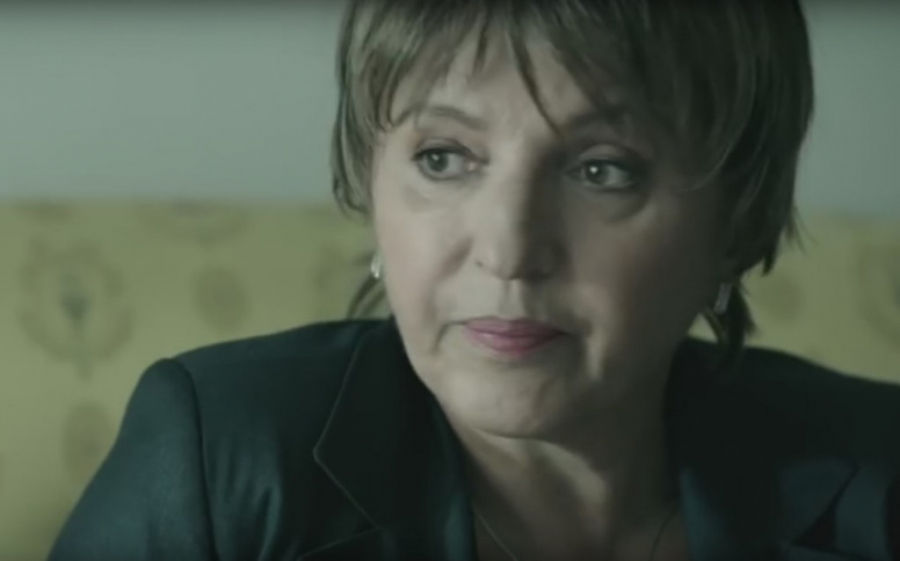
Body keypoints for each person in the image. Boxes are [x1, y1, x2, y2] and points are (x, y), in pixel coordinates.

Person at [49, 0, 900, 560]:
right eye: (444, 158)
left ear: (737, 219)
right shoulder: (220, 460)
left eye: (602, 170)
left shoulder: (877, 473)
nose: (507, 248)